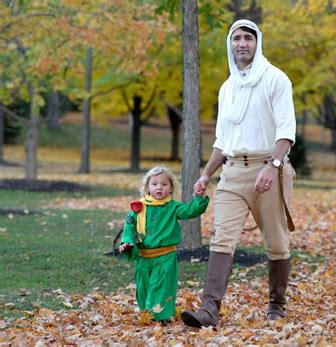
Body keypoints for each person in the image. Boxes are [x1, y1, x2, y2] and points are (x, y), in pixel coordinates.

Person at [181, 19, 296, 328]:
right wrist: (206, 175)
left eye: (248, 38)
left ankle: (277, 305)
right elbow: (223, 140)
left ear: (257, 42)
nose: (242, 44)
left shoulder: (276, 79)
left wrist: (273, 167)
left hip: (266, 170)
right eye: (236, 39)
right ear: (230, 45)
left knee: (276, 243)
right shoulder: (228, 87)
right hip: (232, 174)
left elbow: (286, 130)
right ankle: (209, 310)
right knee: (222, 238)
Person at [120, 166, 209, 323]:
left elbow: (191, 210)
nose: (159, 187)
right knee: (144, 288)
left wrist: (199, 198)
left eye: (164, 184)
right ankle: (146, 315)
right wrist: (127, 242)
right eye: (154, 184)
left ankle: (159, 318)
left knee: (160, 288)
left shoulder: (174, 207)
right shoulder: (139, 207)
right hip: (143, 257)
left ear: (171, 188)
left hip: (164, 257)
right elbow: (129, 226)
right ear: (147, 187)